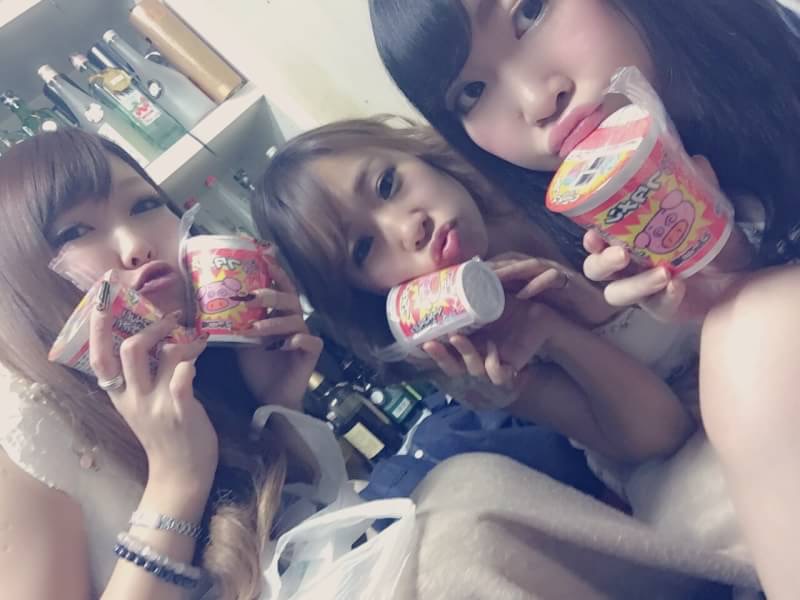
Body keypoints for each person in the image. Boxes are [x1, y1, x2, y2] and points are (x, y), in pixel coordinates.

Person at [368, 0, 800, 596]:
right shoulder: (585, 228)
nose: (536, 101)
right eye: (471, 92)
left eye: (530, 11)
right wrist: (724, 279)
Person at [253, 116, 699, 507]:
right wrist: (552, 330)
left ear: (412, 153)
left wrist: (583, 296)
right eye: (364, 248)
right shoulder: (464, 354)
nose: (409, 227)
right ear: (367, 293)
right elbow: (662, 435)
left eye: (387, 185)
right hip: (672, 465)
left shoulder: (525, 162)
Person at [0, 129, 323, 599]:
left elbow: (312, 548)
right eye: (74, 233)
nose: (136, 245)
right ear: (21, 284)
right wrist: (176, 479)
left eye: (145, 205)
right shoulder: (25, 433)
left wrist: (276, 407)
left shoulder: (198, 365)